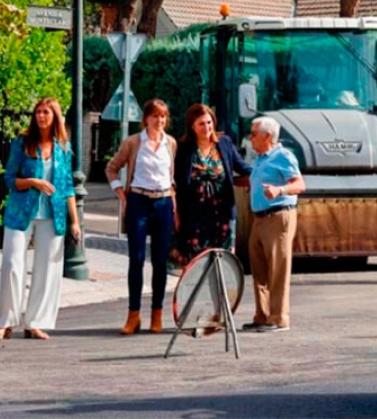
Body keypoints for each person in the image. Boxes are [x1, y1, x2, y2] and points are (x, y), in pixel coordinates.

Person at [0, 98, 81, 341]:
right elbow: (9, 179)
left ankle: (34, 322)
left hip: (54, 215)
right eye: (38, 112)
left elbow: (68, 186)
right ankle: (5, 323)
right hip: (20, 213)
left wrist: (75, 221)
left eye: (46, 112)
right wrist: (32, 182)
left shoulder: (63, 148)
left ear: (55, 117)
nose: (41, 116)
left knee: (48, 269)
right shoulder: (22, 143)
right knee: (12, 265)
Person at [106, 99, 178, 335]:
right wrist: (121, 195)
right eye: (155, 116)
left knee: (159, 261)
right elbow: (112, 168)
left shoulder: (171, 144)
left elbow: (172, 177)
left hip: (164, 202)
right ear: (146, 118)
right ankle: (133, 315)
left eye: (163, 116)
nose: (160, 121)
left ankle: (157, 314)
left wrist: (174, 206)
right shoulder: (134, 142)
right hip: (139, 200)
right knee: (136, 259)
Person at [242, 116, 306, 333]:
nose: (250, 137)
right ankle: (262, 315)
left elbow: (299, 184)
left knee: (278, 269)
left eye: (253, 133)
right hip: (259, 218)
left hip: (278, 217)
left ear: (267, 136)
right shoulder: (260, 159)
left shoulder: (283, 156)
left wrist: (280, 190)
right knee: (258, 269)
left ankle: (279, 318)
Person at [170, 104, 252, 272]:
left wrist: (264, 174)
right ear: (192, 126)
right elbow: (174, 181)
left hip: (221, 216)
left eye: (209, 122)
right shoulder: (183, 148)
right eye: (201, 124)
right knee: (193, 264)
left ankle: (219, 298)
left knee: (221, 263)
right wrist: (175, 212)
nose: (206, 127)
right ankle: (193, 297)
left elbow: (243, 167)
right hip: (193, 217)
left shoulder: (224, 143)